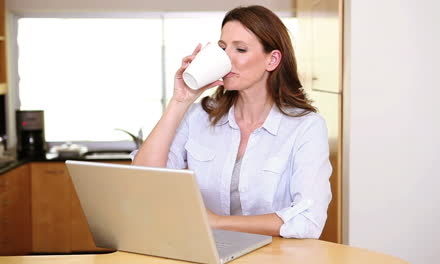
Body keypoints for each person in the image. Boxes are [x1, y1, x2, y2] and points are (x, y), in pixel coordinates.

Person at [133, 5, 332, 239]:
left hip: (275, 255)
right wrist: (180, 100)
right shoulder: (198, 117)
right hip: (206, 251)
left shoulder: (306, 127)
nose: (226, 59)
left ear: (272, 60)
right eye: (222, 48)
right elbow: (145, 181)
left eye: (240, 49)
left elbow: (308, 220)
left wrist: (216, 222)